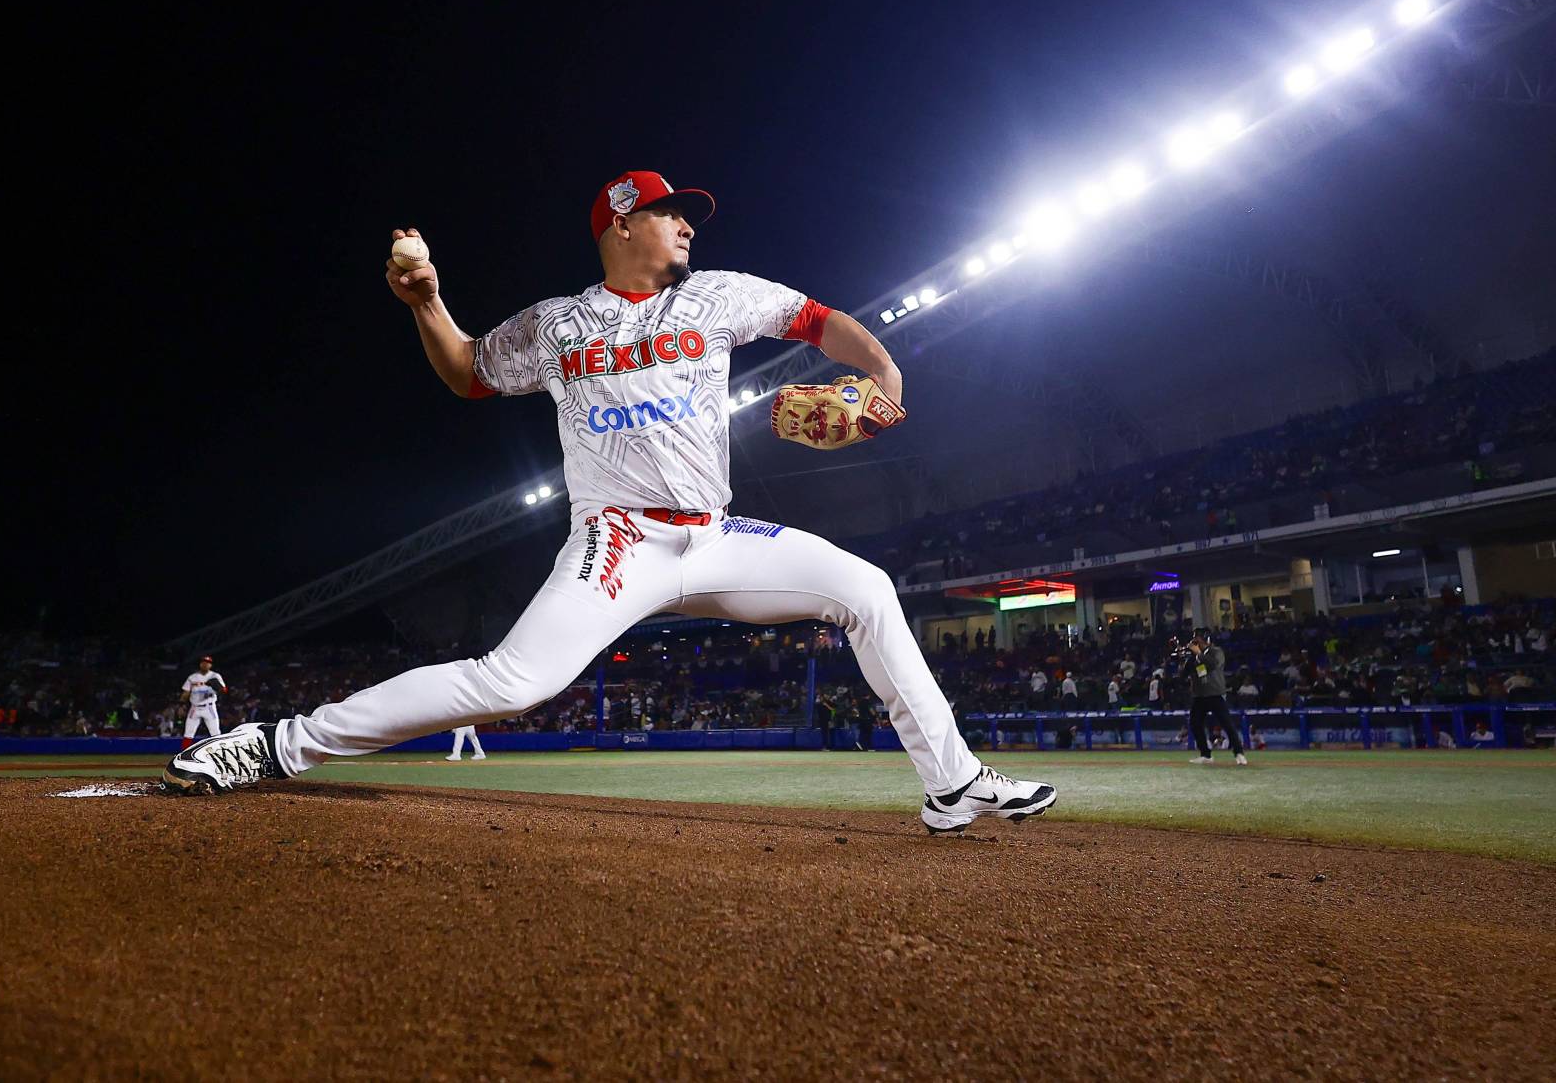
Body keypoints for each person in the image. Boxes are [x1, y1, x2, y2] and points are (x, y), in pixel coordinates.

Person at [162, 172, 1054, 834]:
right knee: (511, 683)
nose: (687, 228)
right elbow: (471, 371)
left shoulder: (716, 296)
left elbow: (817, 319)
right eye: (673, 214)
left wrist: (885, 372)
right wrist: (427, 302)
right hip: (617, 542)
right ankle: (275, 743)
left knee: (865, 588)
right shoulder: (558, 324)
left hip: (715, 536)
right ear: (624, 220)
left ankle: (952, 783)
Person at [1183, 632, 1248, 766]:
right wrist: (1184, 657)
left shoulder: (1216, 652)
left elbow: (1212, 665)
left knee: (1227, 724)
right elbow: (1185, 673)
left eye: (1198, 641)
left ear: (1206, 641)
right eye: (1194, 641)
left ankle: (1239, 753)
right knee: (1195, 723)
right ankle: (1205, 754)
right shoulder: (1194, 656)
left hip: (1215, 694)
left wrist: (1199, 654)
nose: (1196, 644)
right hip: (1200, 695)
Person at [180, 655, 229, 749]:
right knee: (188, 733)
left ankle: (220, 752)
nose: (205, 664)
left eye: (208, 663)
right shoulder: (192, 677)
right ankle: (183, 754)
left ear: (210, 665)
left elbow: (224, 690)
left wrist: (217, 686)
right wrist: (181, 705)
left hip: (209, 707)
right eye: (203, 662)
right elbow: (186, 692)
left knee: (215, 733)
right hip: (194, 707)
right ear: (200, 664)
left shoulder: (215, 676)